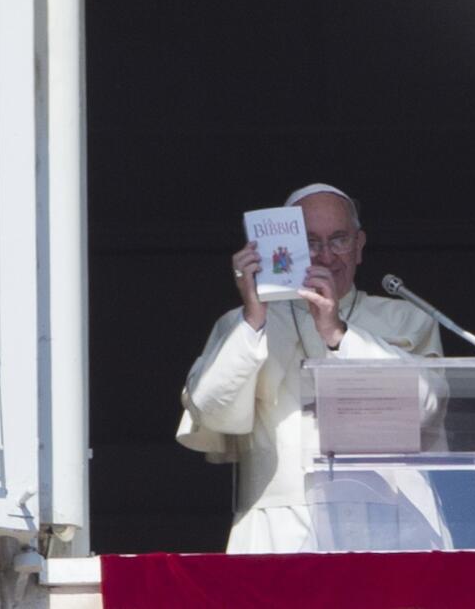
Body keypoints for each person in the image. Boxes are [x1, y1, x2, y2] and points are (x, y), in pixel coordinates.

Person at [176, 183, 452, 553]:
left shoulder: (406, 319)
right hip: (281, 528)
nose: (325, 257)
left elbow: (425, 411)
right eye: (309, 243)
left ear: (359, 246)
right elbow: (212, 414)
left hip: (395, 521)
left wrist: (337, 333)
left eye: (338, 239)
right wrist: (254, 318)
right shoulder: (242, 323)